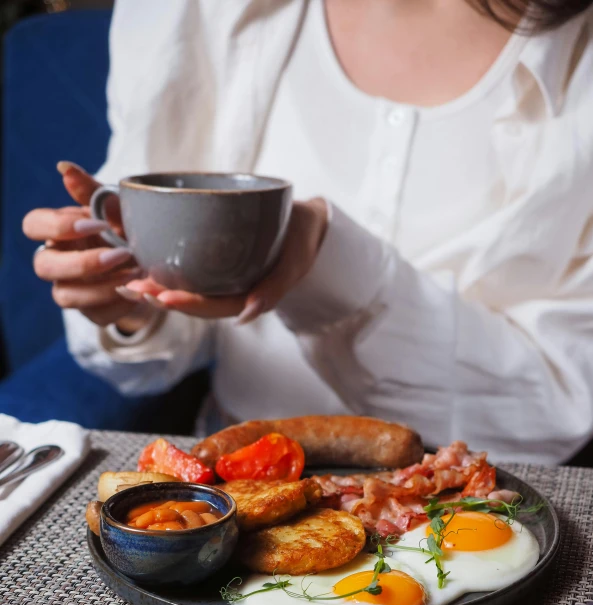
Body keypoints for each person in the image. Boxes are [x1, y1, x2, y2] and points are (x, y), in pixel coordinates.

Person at [23, 0, 593, 465]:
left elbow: (557, 417)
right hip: (235, 479)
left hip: (477, 501)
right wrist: (130, 302)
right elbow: (159, 350)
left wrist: (328, 263)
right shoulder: (187, 14)